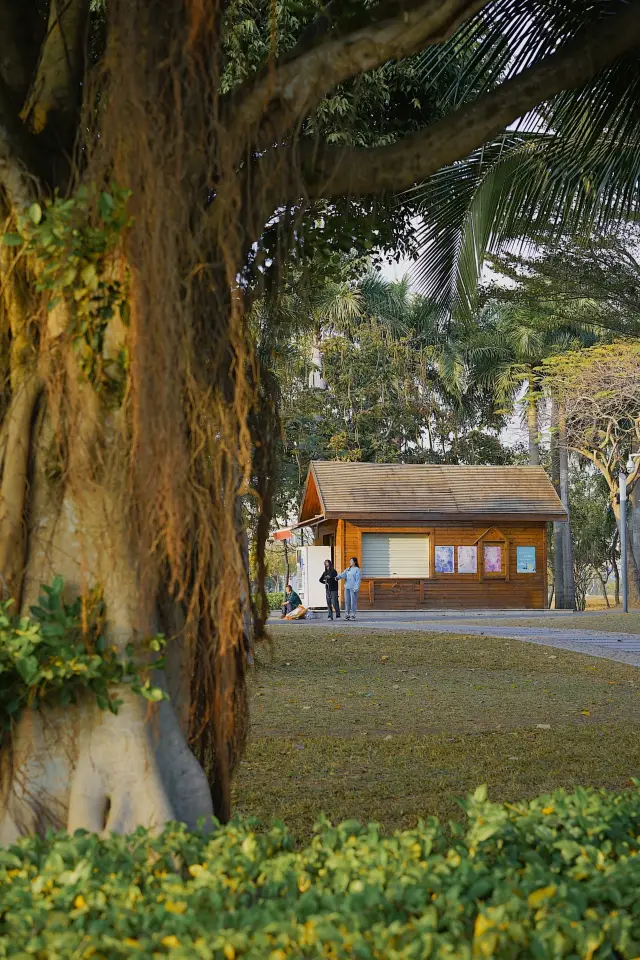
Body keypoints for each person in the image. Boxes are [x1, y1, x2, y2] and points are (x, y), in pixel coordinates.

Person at [337, 557, 361, 621]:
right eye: (350, 561)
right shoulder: (348, 569)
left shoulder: (357, 569)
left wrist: (356, 588)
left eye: (351, 561)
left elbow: (358, 580)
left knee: (353, 602)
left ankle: (353, 615)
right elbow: (343, 574)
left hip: (353, 588)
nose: (350, 562)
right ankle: (347, 614)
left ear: (354, 562)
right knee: (347, 601)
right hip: (347, 587)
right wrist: (337, 577)